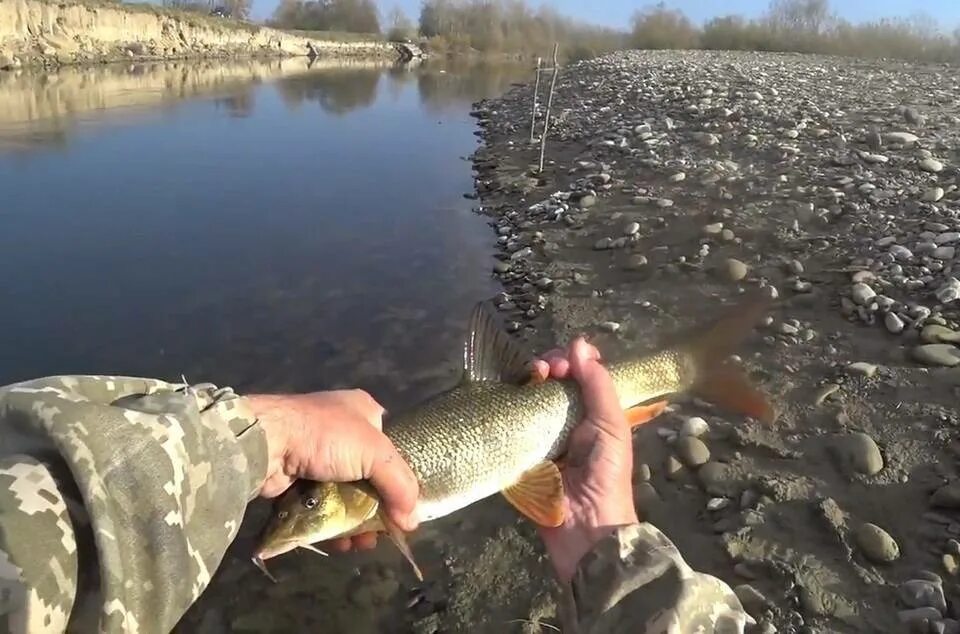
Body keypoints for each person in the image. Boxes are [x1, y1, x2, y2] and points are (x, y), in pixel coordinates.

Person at [0, 337, 750, 634]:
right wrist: (597, 534)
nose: (303, 515)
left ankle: (691, 367)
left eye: (316, 502)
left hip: (536, 423)